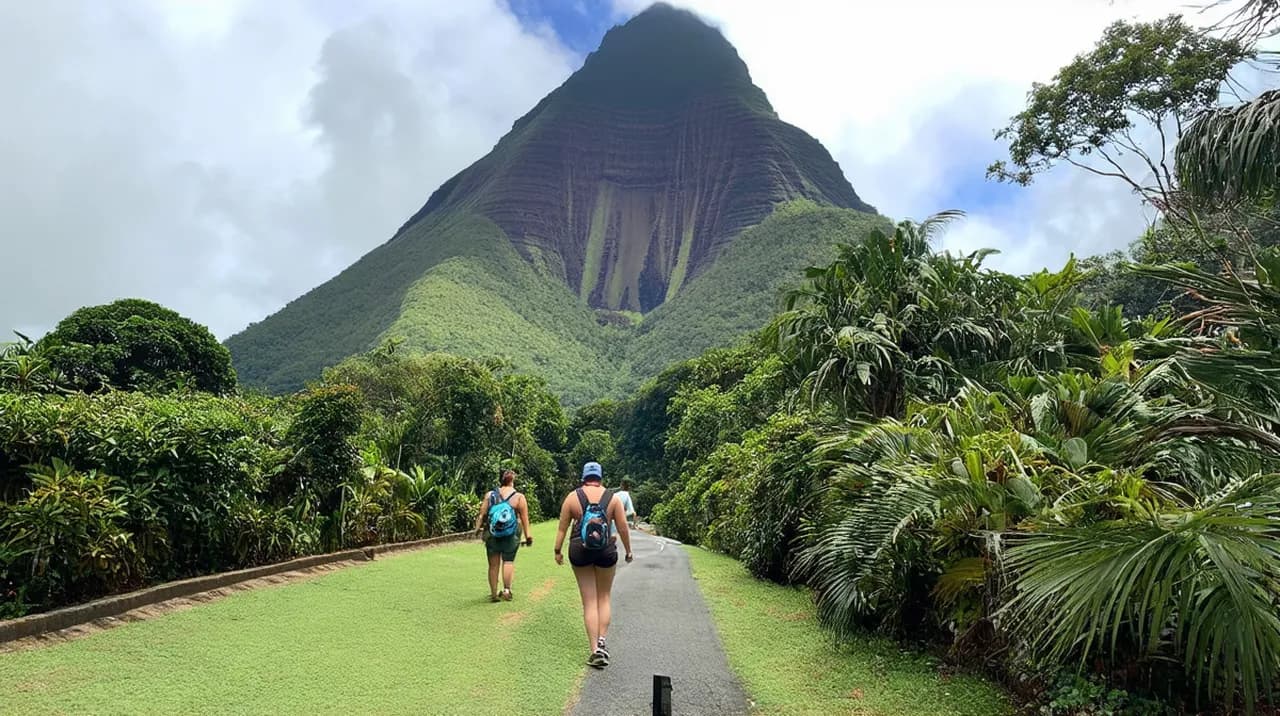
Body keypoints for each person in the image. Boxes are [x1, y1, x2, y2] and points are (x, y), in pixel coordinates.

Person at [554, 461, 633, 668]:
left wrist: (557, 551)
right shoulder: (613, 498)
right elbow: (623, 528)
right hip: (605, 550)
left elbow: (562, 528)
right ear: (600, 477)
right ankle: (602, 641)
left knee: (589, 601)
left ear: (583, 477)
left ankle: (594, 650)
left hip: (579, 550)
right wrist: (629, 551)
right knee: (604, 597)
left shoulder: (573, 497)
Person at [474, 469, 532, 602]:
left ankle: (494, 594)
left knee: (493, 565)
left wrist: (477, 529)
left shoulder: (490, 495)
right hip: (511, 535)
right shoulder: (519, 497)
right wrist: (528, 536)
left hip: (492, 534)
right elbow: (525, 519)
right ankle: (506, 590)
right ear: (512, 481)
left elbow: (482, 515)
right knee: (508, 561)